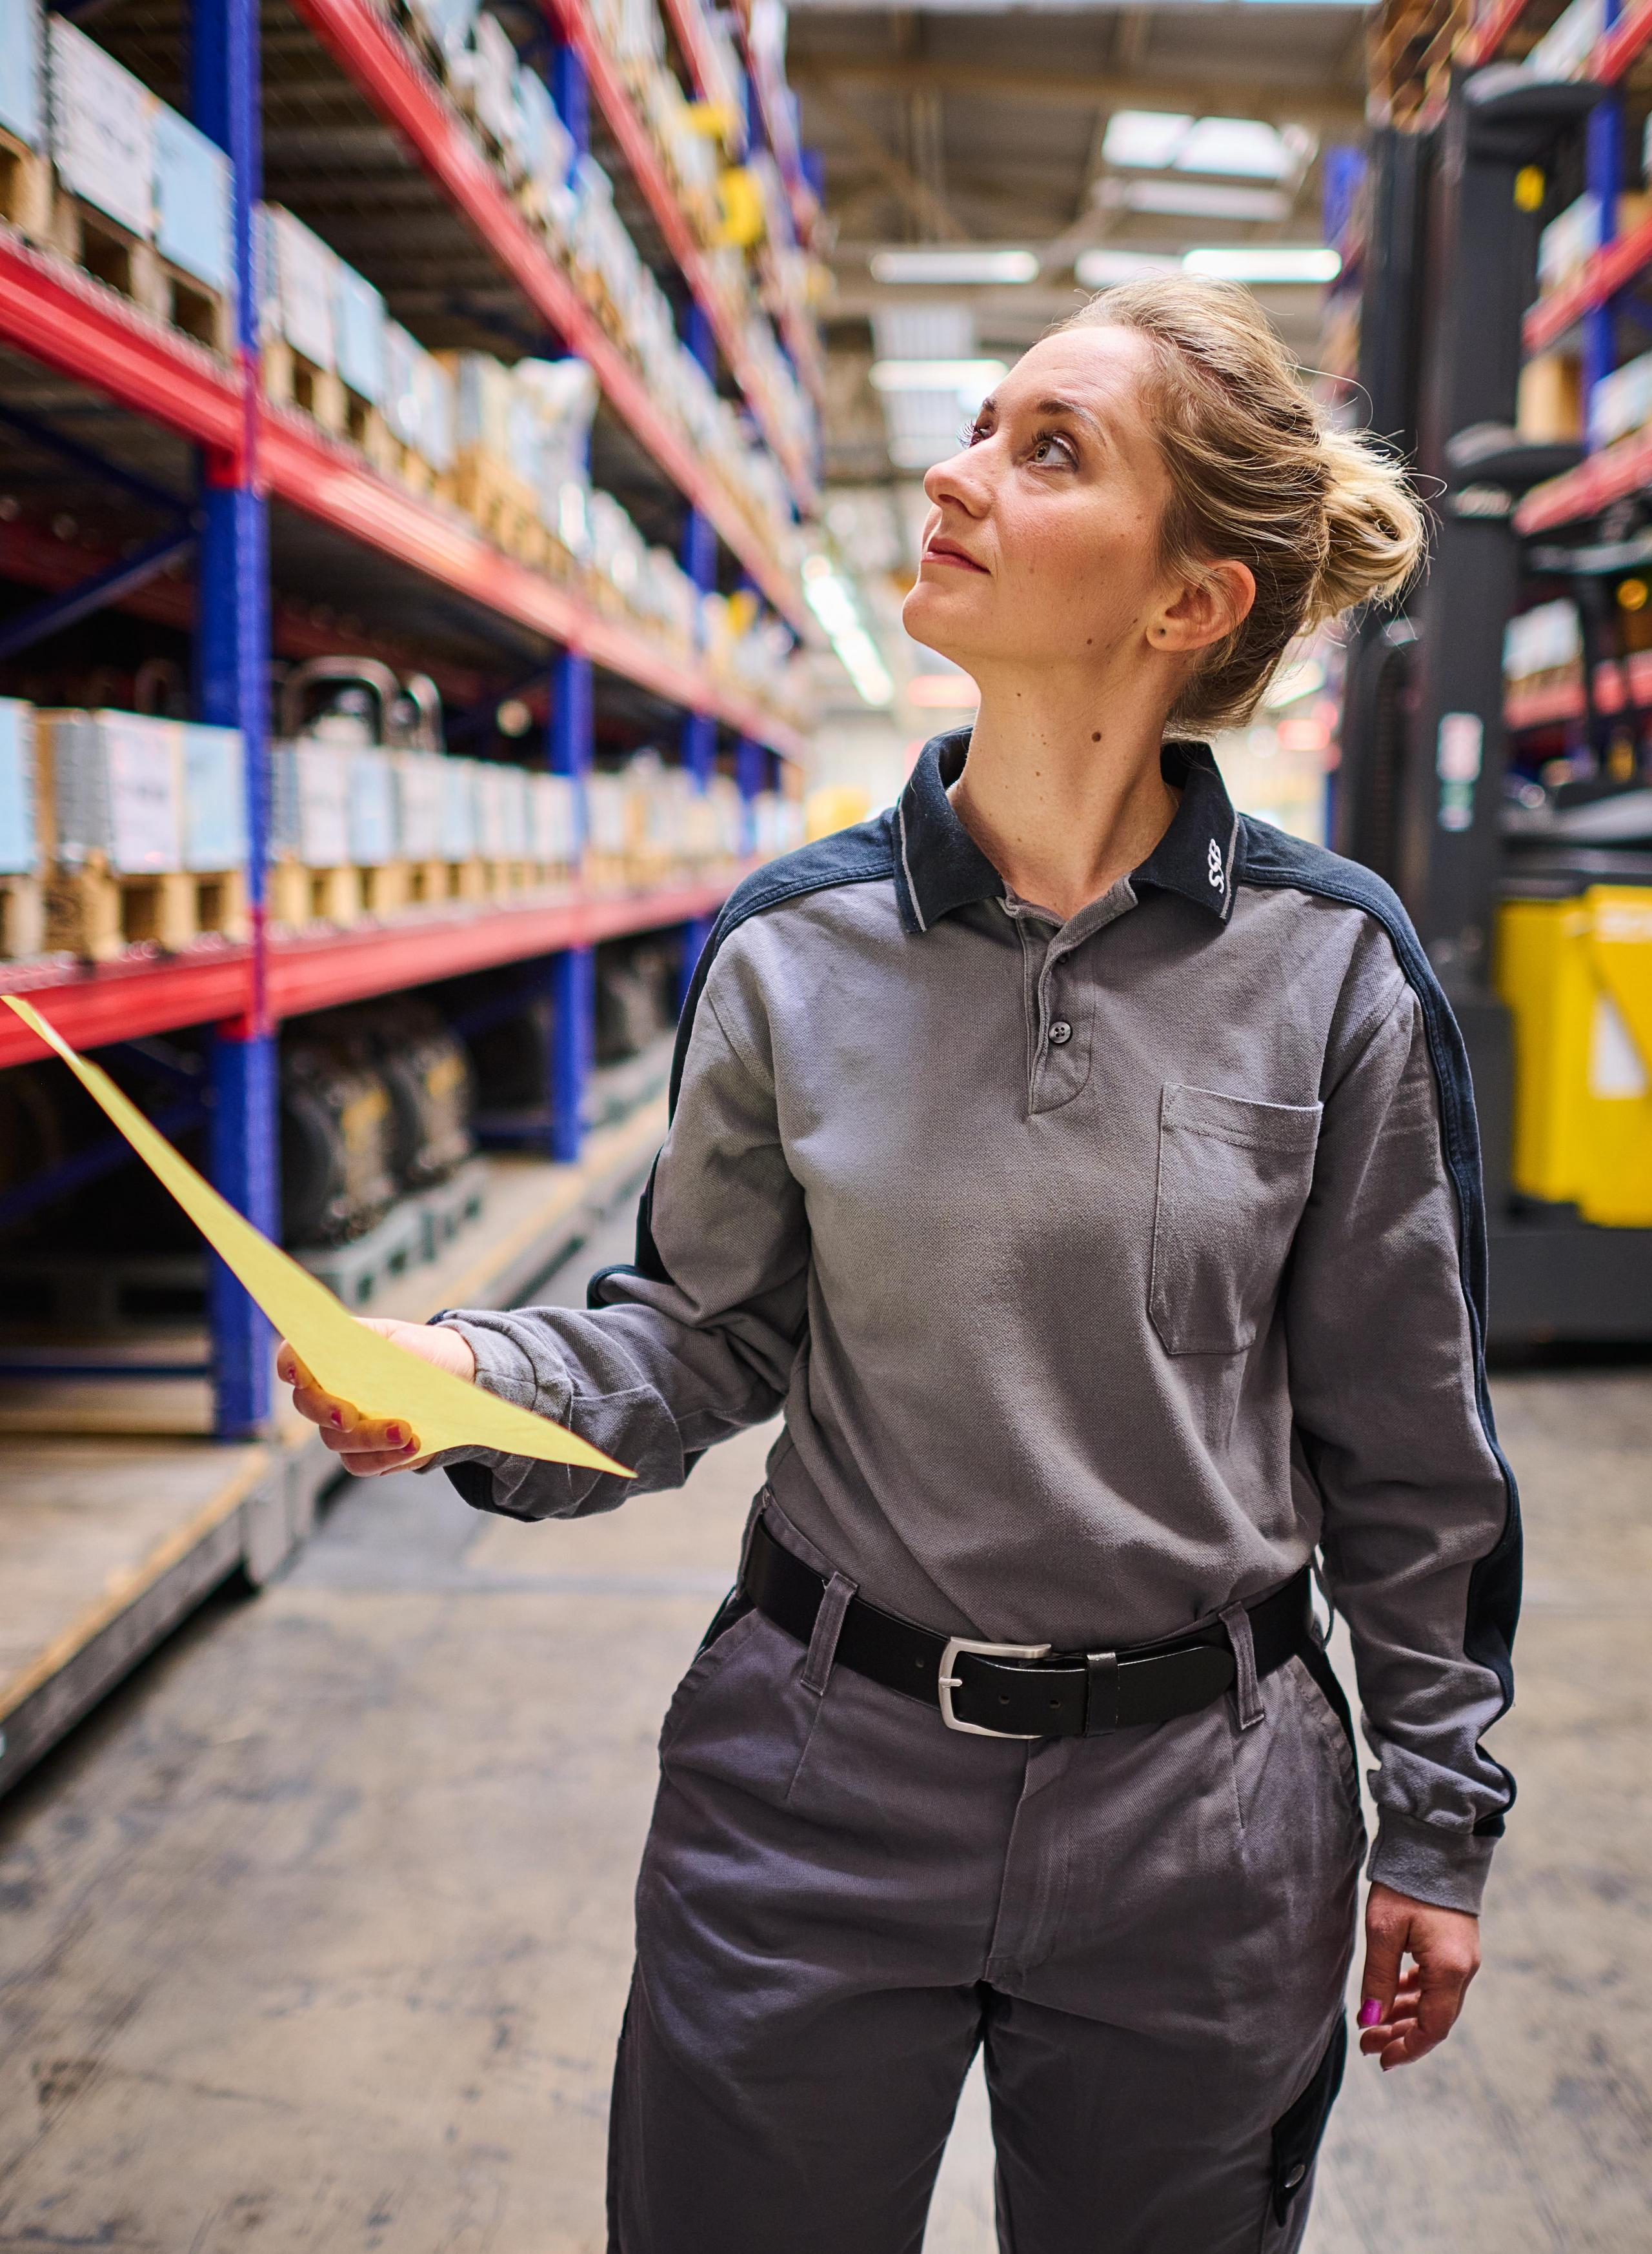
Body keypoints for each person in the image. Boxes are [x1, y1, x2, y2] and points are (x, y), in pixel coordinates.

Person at [277, 275, 1518, 2254]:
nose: (953, 476)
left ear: (1187, 603)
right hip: (814, 1788)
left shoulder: (1333, 970)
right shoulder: (794, 947)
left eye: (1049, 451)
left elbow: (1411, 1451)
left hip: (1204, 1828)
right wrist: (465, 1376)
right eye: (983, 422)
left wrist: (1438, 1822)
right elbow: (701, 1334)